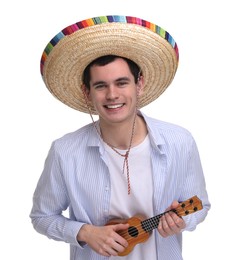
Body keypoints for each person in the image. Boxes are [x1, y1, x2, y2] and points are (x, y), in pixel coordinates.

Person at [30, 15, 210, 260]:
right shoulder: (65, 151)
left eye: (122, 82)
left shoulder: (180, 141)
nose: (112, 95)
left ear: (140, 84)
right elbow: (42, 216)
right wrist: (84, 232)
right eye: (101, 86)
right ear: (87, 93)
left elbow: (200, 206)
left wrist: (183, 221)